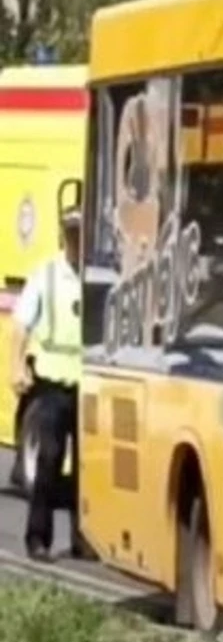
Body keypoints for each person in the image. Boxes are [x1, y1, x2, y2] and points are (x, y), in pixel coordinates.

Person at [12, 206, 86, 562]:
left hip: (87, 387)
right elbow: (21, 324)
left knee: (89, 466)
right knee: (50, 460)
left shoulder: (96, 276)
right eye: (72, 234)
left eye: (81, 234)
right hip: (52, 385)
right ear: (63, 237)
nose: (77, 240)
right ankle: (37, 539)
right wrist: (16, 367)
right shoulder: (47, 275)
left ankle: (83, 540)